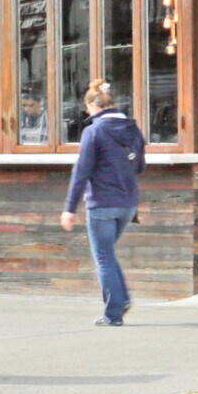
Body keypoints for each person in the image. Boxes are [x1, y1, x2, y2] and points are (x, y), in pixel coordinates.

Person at [60, 80, 147, 326]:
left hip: (102, 203)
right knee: (107, 253)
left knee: (103, 257)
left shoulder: (94, 131)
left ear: (93, 106)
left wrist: (69, 209)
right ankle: (121, 299)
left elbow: (81, 172)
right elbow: (140, 166)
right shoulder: (133, 130)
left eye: (87, 109)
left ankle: (113, 314)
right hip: (128, 204)